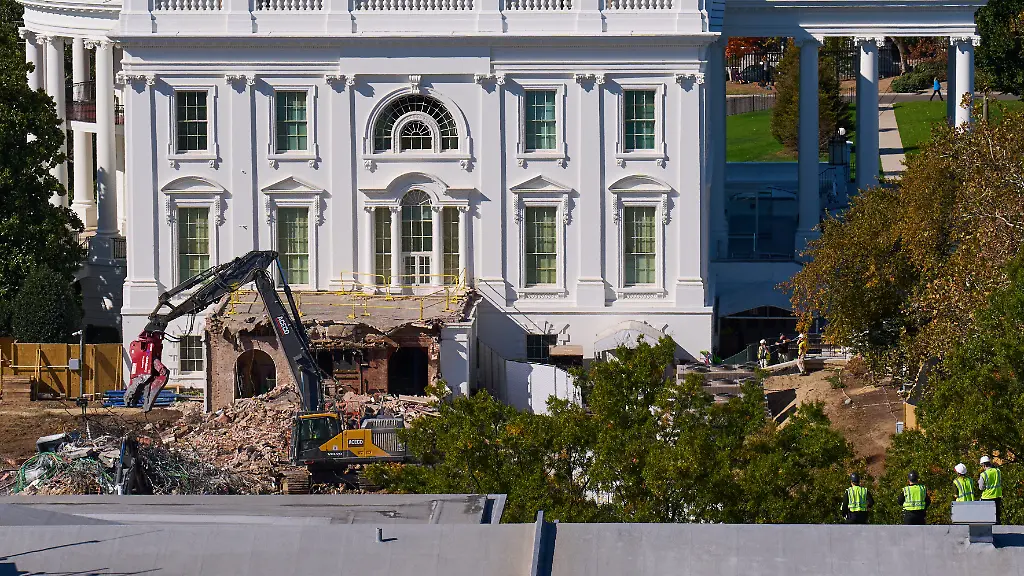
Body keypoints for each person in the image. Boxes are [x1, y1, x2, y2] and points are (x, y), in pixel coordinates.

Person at [979, 456, 1003, 524]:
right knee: (997, 515)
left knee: (986, 516)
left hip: (987, 497)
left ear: (983, 465)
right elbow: (999, 481)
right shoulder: (998, 471)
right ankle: (999, 528)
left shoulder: (983, 474)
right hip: (997, 496)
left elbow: (981, 488)